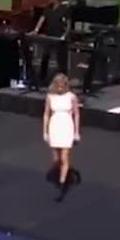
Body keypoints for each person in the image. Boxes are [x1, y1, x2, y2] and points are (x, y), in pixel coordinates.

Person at [43, 73, 80, 202]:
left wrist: (76, 132)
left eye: (62, 86)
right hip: (54, 127)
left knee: (64, 157)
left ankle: (62, 184)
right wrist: (45, 132)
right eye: (57, 86)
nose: (59, 88)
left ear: (65, 86)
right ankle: (62, 173)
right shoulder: (50, 97)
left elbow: (76, 114)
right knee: (56, 159)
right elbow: (46, 114)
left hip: (66, 127)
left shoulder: (72, 97)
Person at [31, 0, 69, 87]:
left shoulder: (64, 9)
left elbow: (68, 24)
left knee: (61, 60)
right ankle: (42, 79)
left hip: (58, 37)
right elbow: (42, 19)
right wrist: (36, 30)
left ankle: (63, 80)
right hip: (49, 36)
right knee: (45, 56)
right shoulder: (48, 8)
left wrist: (64, 35)